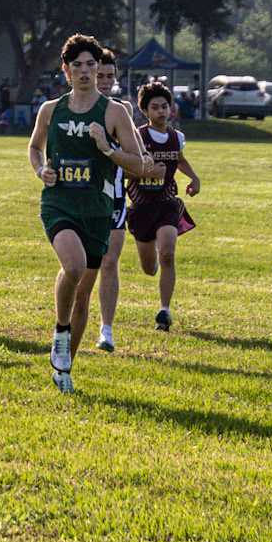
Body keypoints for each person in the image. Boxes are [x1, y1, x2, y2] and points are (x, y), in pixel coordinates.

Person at [27, 34, 155, 392]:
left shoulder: (114, 112)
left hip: (98, 210)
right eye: (77, 66)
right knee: (73, 267)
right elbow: (35, 148)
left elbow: (139, 165)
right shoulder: (50, 110)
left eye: (90, 65)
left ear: (99, 68)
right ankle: (60, 331)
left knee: (83, 294)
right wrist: (40, 170)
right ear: (65, 70)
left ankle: (64, 368)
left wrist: (107, 148)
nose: (84, 72)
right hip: (58, 204)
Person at [126, 80, 200, 330]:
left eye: (164, 107)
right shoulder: (136, 137)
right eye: (155, 107)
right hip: (141, 206)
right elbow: (122, 170)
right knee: (149, 268)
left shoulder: (177, 137)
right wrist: (145, 171)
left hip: (167, 203)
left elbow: (179, 160)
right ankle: (153, 259)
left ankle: (164, 311)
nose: (161, 111)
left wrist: (194, 178)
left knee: (168, 254)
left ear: (171, 108)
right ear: (144, 111)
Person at [93, 49, 130, 354]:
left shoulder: (121, 109)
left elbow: (134, 155)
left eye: (109, 76)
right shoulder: (70, 108)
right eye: (99, 75)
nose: (105, 81)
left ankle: (106, 328)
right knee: (82, 265)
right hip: (81, 196)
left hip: (115, 196)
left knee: (109, 260)